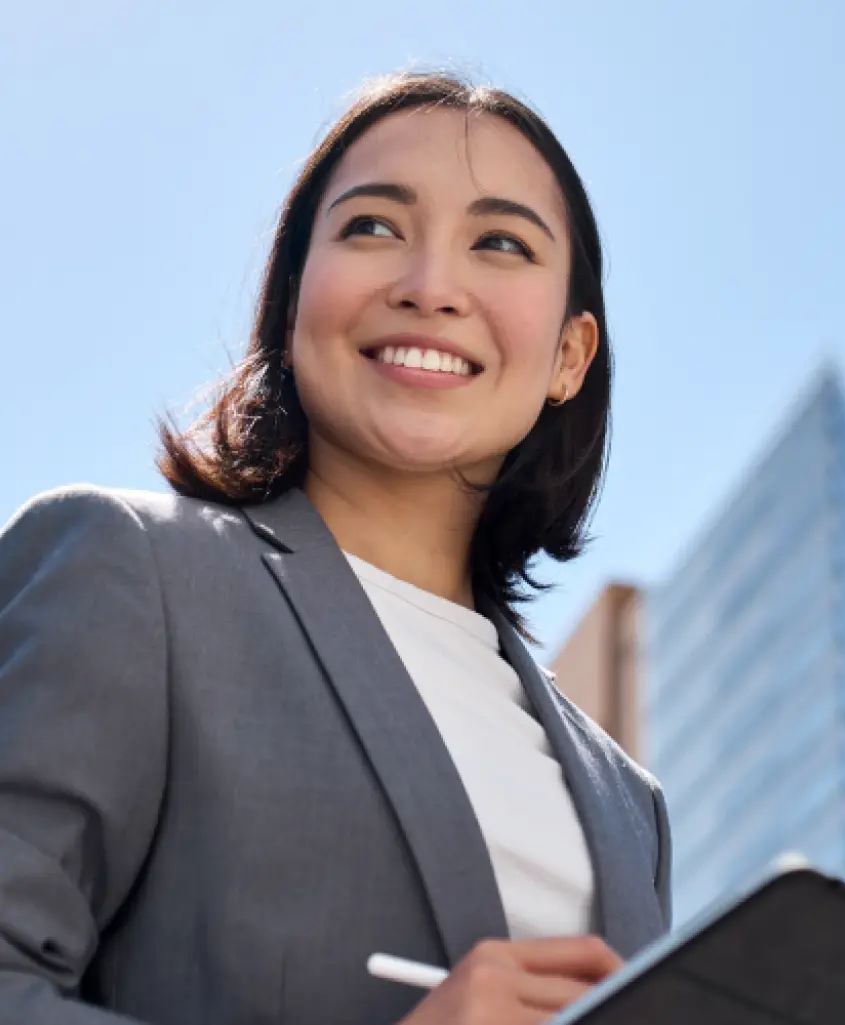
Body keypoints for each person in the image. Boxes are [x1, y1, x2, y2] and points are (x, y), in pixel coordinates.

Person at [0, 71, 671, 1025]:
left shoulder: (630, 805)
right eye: (373, 228)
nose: (430, 287)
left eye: (500, 243)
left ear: (569, 354)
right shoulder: (132, 571)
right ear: (291, 302)